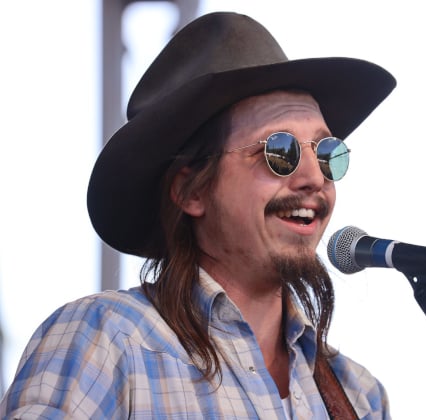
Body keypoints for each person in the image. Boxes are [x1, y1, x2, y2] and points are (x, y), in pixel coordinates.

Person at [0, 11, 395, 419]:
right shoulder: (106, 342)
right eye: (280, 152)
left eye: (328, 153)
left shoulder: (359, 395)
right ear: (191, 191)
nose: (314, 178)